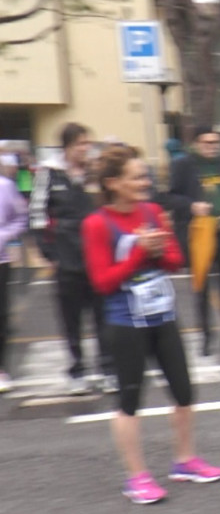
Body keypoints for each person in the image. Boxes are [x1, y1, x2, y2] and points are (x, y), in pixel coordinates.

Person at [82, 145, 220, 505]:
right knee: (130, 401)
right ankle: (137, 477)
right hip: (125, 323)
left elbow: (176, 261)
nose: (145, 182)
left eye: (145, 176)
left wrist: (160, 251)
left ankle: (185, 460)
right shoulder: (97, 223)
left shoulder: (153, 212)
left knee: (184, 392)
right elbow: (102, 282)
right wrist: (140, 253)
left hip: (163, 316)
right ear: (113, 183)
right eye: (136, 177)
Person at [28, 122, 116, 394]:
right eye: (80, 144)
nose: (85, 149)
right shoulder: (49, 174)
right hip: (66, 259)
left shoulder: (94, 173)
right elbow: (37, 214)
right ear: (67, 147)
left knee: (103, 316)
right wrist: (49, 253)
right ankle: (77, 371)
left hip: (97, 257)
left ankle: (107, 369)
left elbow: (109, 206)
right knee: (71, 319)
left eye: (88, 144)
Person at [167, 127, 220, 356]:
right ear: (196, 144)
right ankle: (206, 336)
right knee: (201, 289)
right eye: (207, 143)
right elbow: (170, 196)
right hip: (199, 234)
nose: (212, 147)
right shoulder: (183, 165)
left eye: (215, 143)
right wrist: (192, 206)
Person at [0, 154, 28, 393]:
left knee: (1, 315)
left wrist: (5, 235)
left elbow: (21, 217)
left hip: (0, 260)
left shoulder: (6, 187)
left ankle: (1, 369)